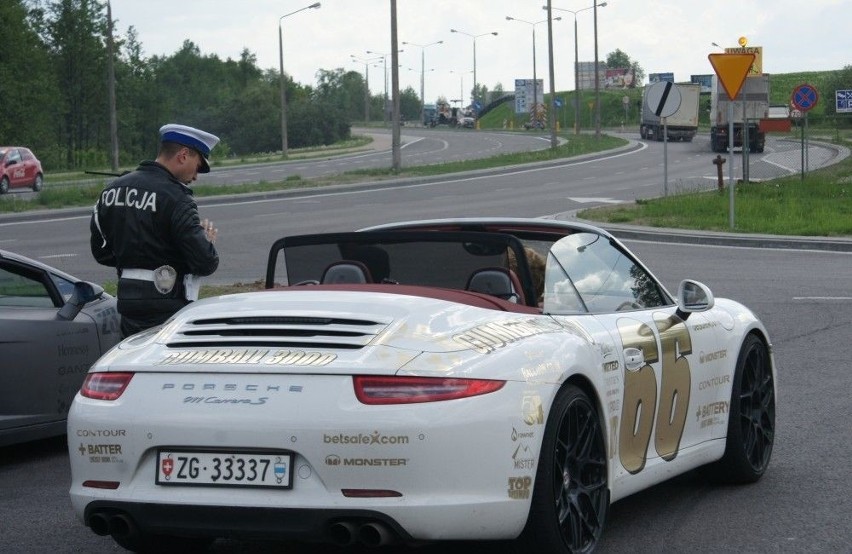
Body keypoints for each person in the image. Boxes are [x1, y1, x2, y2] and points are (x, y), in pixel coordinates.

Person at [90, 123, 220, 337]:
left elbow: (101, 251)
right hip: (167, 307)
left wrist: (134, 261)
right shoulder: (178, 197)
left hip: (127, 301)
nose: (196, 176)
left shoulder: (111, 191)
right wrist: (206, 241)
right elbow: (205, 262)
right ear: (183, 155)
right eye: (198, 166)